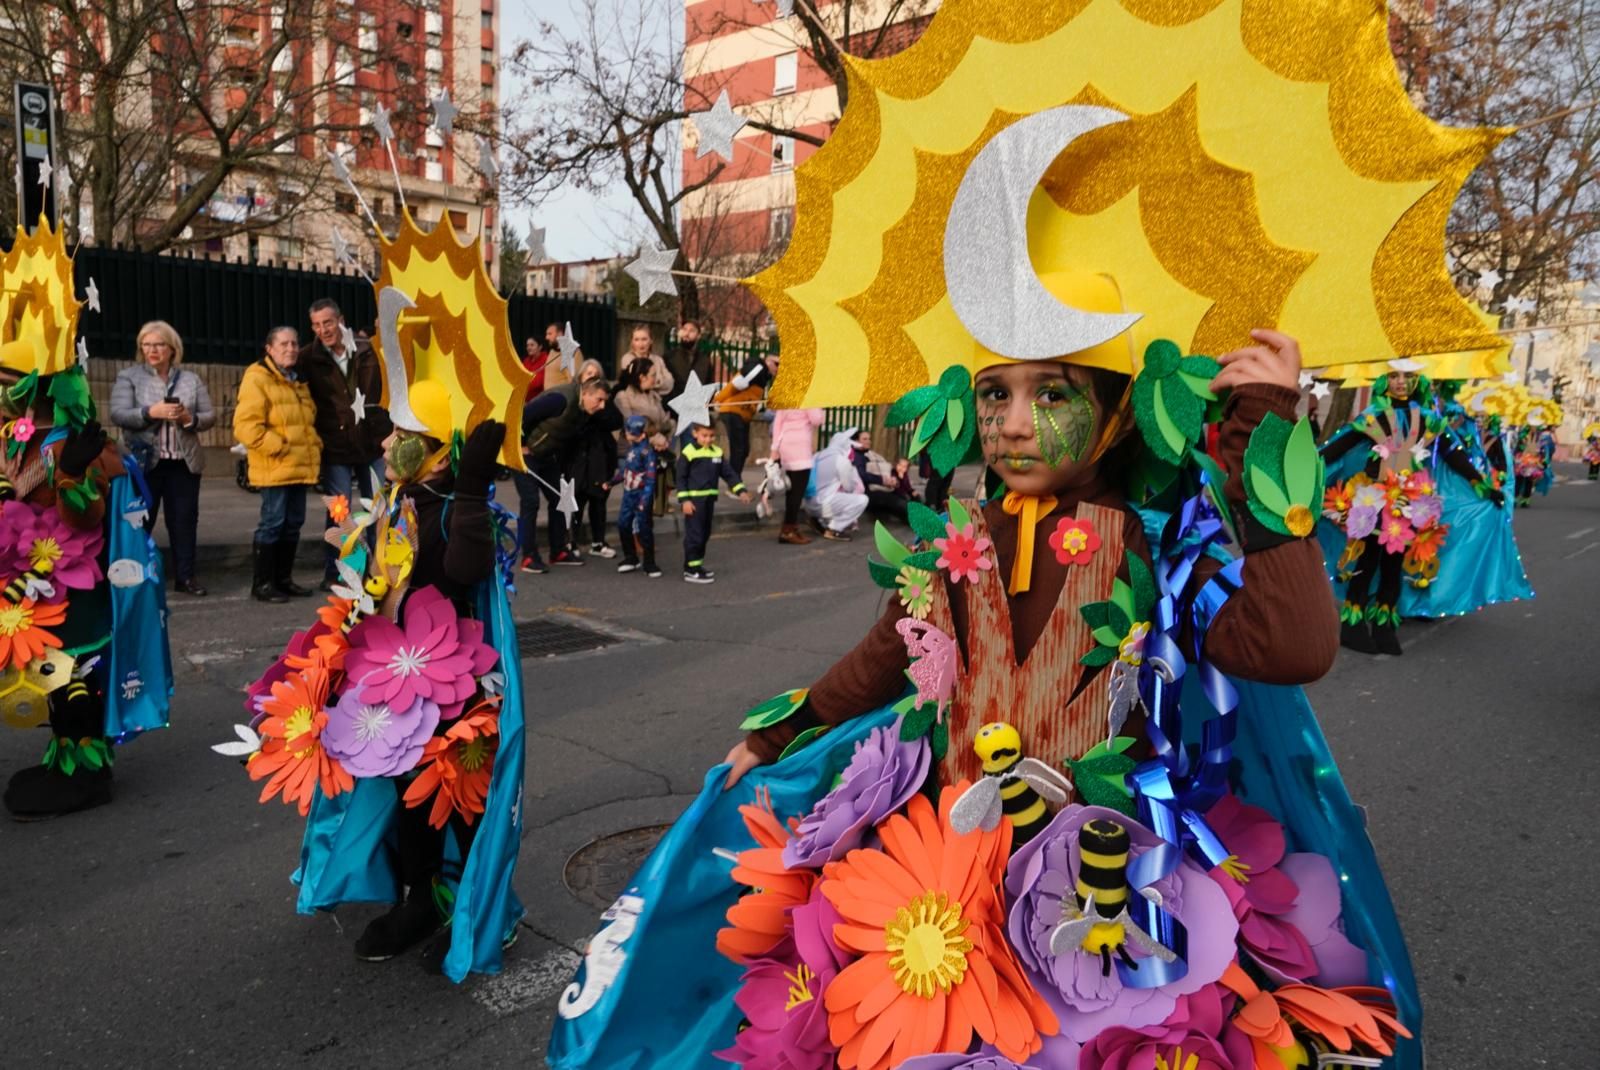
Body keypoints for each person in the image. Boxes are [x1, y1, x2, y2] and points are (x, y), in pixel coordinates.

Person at [1318, 362, 1504, 655]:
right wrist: (1309, 464)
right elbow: (1337, 448)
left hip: (1409, 500)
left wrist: (1482, 486)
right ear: (1385, 380)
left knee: (1393, 565)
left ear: (1418, 381)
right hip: (1375, 498)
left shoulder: (1429, 419)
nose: (1401, 382)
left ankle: (1384, 624)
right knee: (1368, 559)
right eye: (1394, 376)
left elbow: (1454, 455)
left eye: (1408, 376)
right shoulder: (1373, 416)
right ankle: (1352, 625)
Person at [109, 320, 216, 596]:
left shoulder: (190, 379)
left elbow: (209, 416)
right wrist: (149, 412)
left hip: (183, 462)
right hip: (144, 463)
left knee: (184, 521)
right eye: (146, 344)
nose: (152, 350)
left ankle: (186, 577)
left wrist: (189, 418)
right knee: (139, 520)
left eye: (158, 344)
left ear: (172, 348)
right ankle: (136, 576)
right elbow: (118, 413)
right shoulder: (129, 377)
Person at [300, 298, 391, 588]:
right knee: (340, 512)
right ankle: (340, 571)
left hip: (372, 442)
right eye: (316, 325)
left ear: (340, 320)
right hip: (335, 446)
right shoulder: (307, 357)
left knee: (378, 510)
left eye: (327, 322)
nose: (323, 330)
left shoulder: (368, 348)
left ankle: (379, 570)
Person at [234, 326, 321, 603]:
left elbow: (307, 421)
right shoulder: (257, 377)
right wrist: (278, 446)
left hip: (299, 466)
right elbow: (245, 426)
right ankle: (262, 584)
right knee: (273, 523)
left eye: (294, 343)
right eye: (283, 344)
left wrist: (314, 446)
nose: (291, 349)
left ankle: (283, 580)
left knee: (293, 523)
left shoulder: (297, 380)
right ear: (269, 349)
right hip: (275, 466)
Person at [521, 377, 610, 567]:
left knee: (560, 498)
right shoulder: (560, 399)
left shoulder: (583, 410)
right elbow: (524, 414)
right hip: (525, 454)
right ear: (586, 393)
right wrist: (520, 445)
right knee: (530, 501)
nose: (602, 406)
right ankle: (529, 556)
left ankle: (558, 551)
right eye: (599, 400)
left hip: (547, 455)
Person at [676, 421, 750, 583]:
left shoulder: (717, 452)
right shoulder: (688, 452)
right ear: (695, 433)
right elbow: (680, 478)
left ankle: (697, 565)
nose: (708, 439)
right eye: (704, 436)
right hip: (694, 501)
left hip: (709, 500)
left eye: (712, 436)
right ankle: (690, 569)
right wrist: (685, 500)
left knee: (704, 533)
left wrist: (740, 490)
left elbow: (728, 473)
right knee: (695, 535)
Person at [569, 359, 622, 558]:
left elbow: (616, 420)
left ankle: (598, 542)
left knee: (599, 501)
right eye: (588, 373)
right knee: (576, 502)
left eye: (596, 373)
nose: (592, 376)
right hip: (577, 460)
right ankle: (571, 541)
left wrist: (597, 411)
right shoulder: (573, 399)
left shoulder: (604, 400)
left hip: (600, 459)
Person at [714, 352, 778, 480]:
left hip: (742, 414)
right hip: (734, 411)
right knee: (739, 449)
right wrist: (719, 399)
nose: (778, 368)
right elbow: (737, 383)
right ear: (768, 361)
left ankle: (734, 479)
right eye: (776, 363)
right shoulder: (759, 368)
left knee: (743, 450)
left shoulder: (764, 375)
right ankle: (734, 481)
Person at [767, 405, 825, 544]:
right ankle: (788, 530)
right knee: (797, 492)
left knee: (792, 490)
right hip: (801, 447)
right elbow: (817, 420)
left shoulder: (786, 400)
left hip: (786, 445)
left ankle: (790, 527)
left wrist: (774, 448)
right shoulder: (808, 399)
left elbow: (777, 424)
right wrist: (819, 407)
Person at [613, 414, 660, 576]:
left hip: (641, 494)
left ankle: (649, 562)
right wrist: (611, 482)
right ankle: (630, 557)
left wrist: (644, 500)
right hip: (628, 494)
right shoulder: (632, 449)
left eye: (630, 431)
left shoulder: (647, 453)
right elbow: (625, 471)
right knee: (623, 524)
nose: (627, 433)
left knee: (644, 528)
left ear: (642, 434)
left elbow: (650, 479)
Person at [806, 427, 869, 541]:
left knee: (832, 495)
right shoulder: (841, 460)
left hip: (808, 504)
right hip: (823, 505)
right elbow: (849, 488)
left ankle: (817, 520)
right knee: (861, 500)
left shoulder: (817, 455)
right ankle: (834, 529)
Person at [849, 428, 909, 523]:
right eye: (864, 439)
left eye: (869, 439)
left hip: (877, 489)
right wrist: (883, 480)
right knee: (897, 502)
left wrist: (892, 479)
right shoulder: (855, 456)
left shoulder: (868, 454)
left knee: (901, 498)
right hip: (865, 492)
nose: (869, 441)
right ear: (856, 441)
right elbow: (862, 475)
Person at [619, 326, 674, 407]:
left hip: (658, 402)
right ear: (632, 342)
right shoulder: (628, 359)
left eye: (644, 339)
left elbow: (669, 382)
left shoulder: (658, 360)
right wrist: (658, 382)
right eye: (637, 340)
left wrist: (650, 382)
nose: (641, 344)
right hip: (636, 403)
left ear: (651, 341)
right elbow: (636, 384)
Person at [665, 318, 712, 407]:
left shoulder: (705, 361)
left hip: (697, 407)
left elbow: (708, 386)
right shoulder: (670, 357)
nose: (686, 334)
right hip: (674, 407)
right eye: (684, 329)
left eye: (691, 331)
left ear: (698, 335)